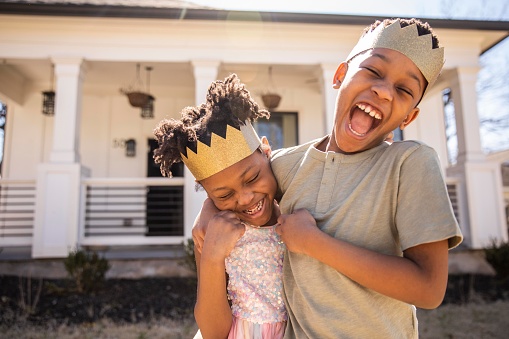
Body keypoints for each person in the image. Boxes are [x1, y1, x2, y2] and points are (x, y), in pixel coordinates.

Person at [195, 18, 463, 338]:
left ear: (409, 116)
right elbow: (240, 182)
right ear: (339, 76)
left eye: (404, 90)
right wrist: (208, 210)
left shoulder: (410, 164)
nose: (384, 91)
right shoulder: (287, 165)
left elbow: (429, 289)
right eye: (374, 71)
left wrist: (315, 244)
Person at [153, 74, 287, 339]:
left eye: (252, 178)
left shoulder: (296, 199)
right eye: (224, 195)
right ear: (208, 194)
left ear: (266, 150)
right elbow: (213, 332)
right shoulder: (213, 233)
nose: (246, 198)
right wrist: (212, 256)